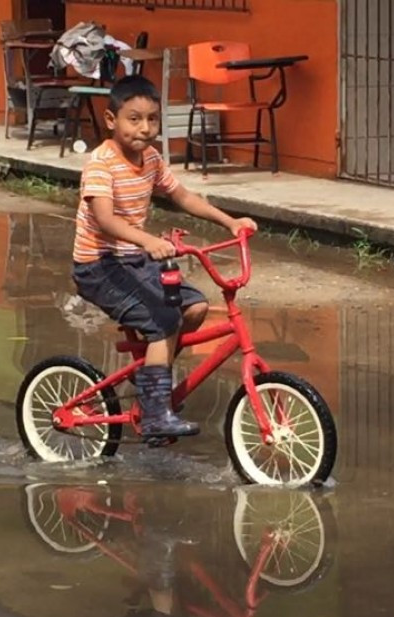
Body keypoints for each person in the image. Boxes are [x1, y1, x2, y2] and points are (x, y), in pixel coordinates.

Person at [72, 74, 256, 441]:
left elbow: (184, 197)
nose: (145, 128)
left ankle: (152, 389)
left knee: (195, 308)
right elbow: (104, 219)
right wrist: (148, 241)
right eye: (134, 118)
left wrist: (230, 222)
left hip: (134, 261)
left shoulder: (152, 159)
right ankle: (156, 413)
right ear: (112, 120)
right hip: (99, 266)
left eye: (152, 119)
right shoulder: (101, 163)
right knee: (162, 321)